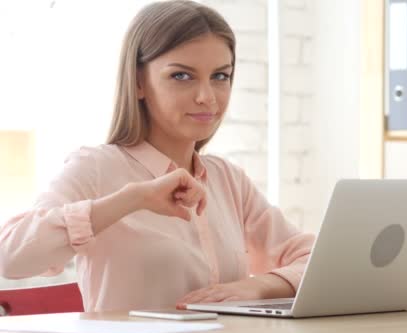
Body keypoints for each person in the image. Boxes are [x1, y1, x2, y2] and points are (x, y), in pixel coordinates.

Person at [0, 0, 315, 312]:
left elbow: (317, 260)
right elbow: (10, 257)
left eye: (220, 76)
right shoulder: (95, 168)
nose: (207, 97)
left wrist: (256, 286)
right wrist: (131, 198)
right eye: (181, 76)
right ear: (139, 82)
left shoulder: (227, 179)